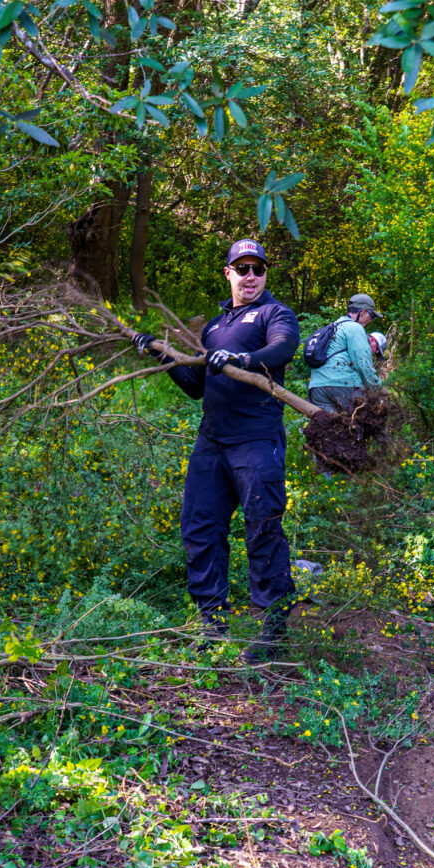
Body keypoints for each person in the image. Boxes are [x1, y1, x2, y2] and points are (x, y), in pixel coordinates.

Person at [132, 238, 300, 661]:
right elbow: (196, 387)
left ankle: (273, 627)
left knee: (262, 527)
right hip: (212, 442)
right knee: (200, 529)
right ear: (228, 273)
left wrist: (242, 359)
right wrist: (161, 355)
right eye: (242, 269)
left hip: (256, 440)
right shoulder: (213, 327)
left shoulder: (275, 314)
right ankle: (212, 623)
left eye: (257, 269)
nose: (250, 276)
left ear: (265, 273)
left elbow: (283, 348)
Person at [307, 293, 383, 412]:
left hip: (316, 388)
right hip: (343, 386)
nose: (371, 320)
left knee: (327, 423)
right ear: (363, 312)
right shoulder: (355, 329)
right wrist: (377, 387)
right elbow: (363, 364)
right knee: (364, 419)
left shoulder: (334, 327)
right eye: (372, 315)